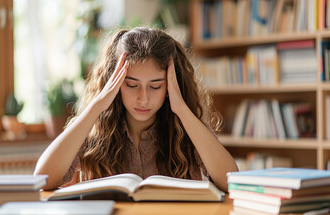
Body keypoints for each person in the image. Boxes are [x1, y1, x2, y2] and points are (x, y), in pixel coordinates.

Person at [34, 27, 238, 192]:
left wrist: (182, 109)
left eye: (155, 86)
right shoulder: (95, 128)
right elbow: (42, 180)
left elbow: (231, 182)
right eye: (131, 85)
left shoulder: (186, 127)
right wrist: (97, 105)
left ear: (170, 85)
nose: (143, 99)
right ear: (114, 83)